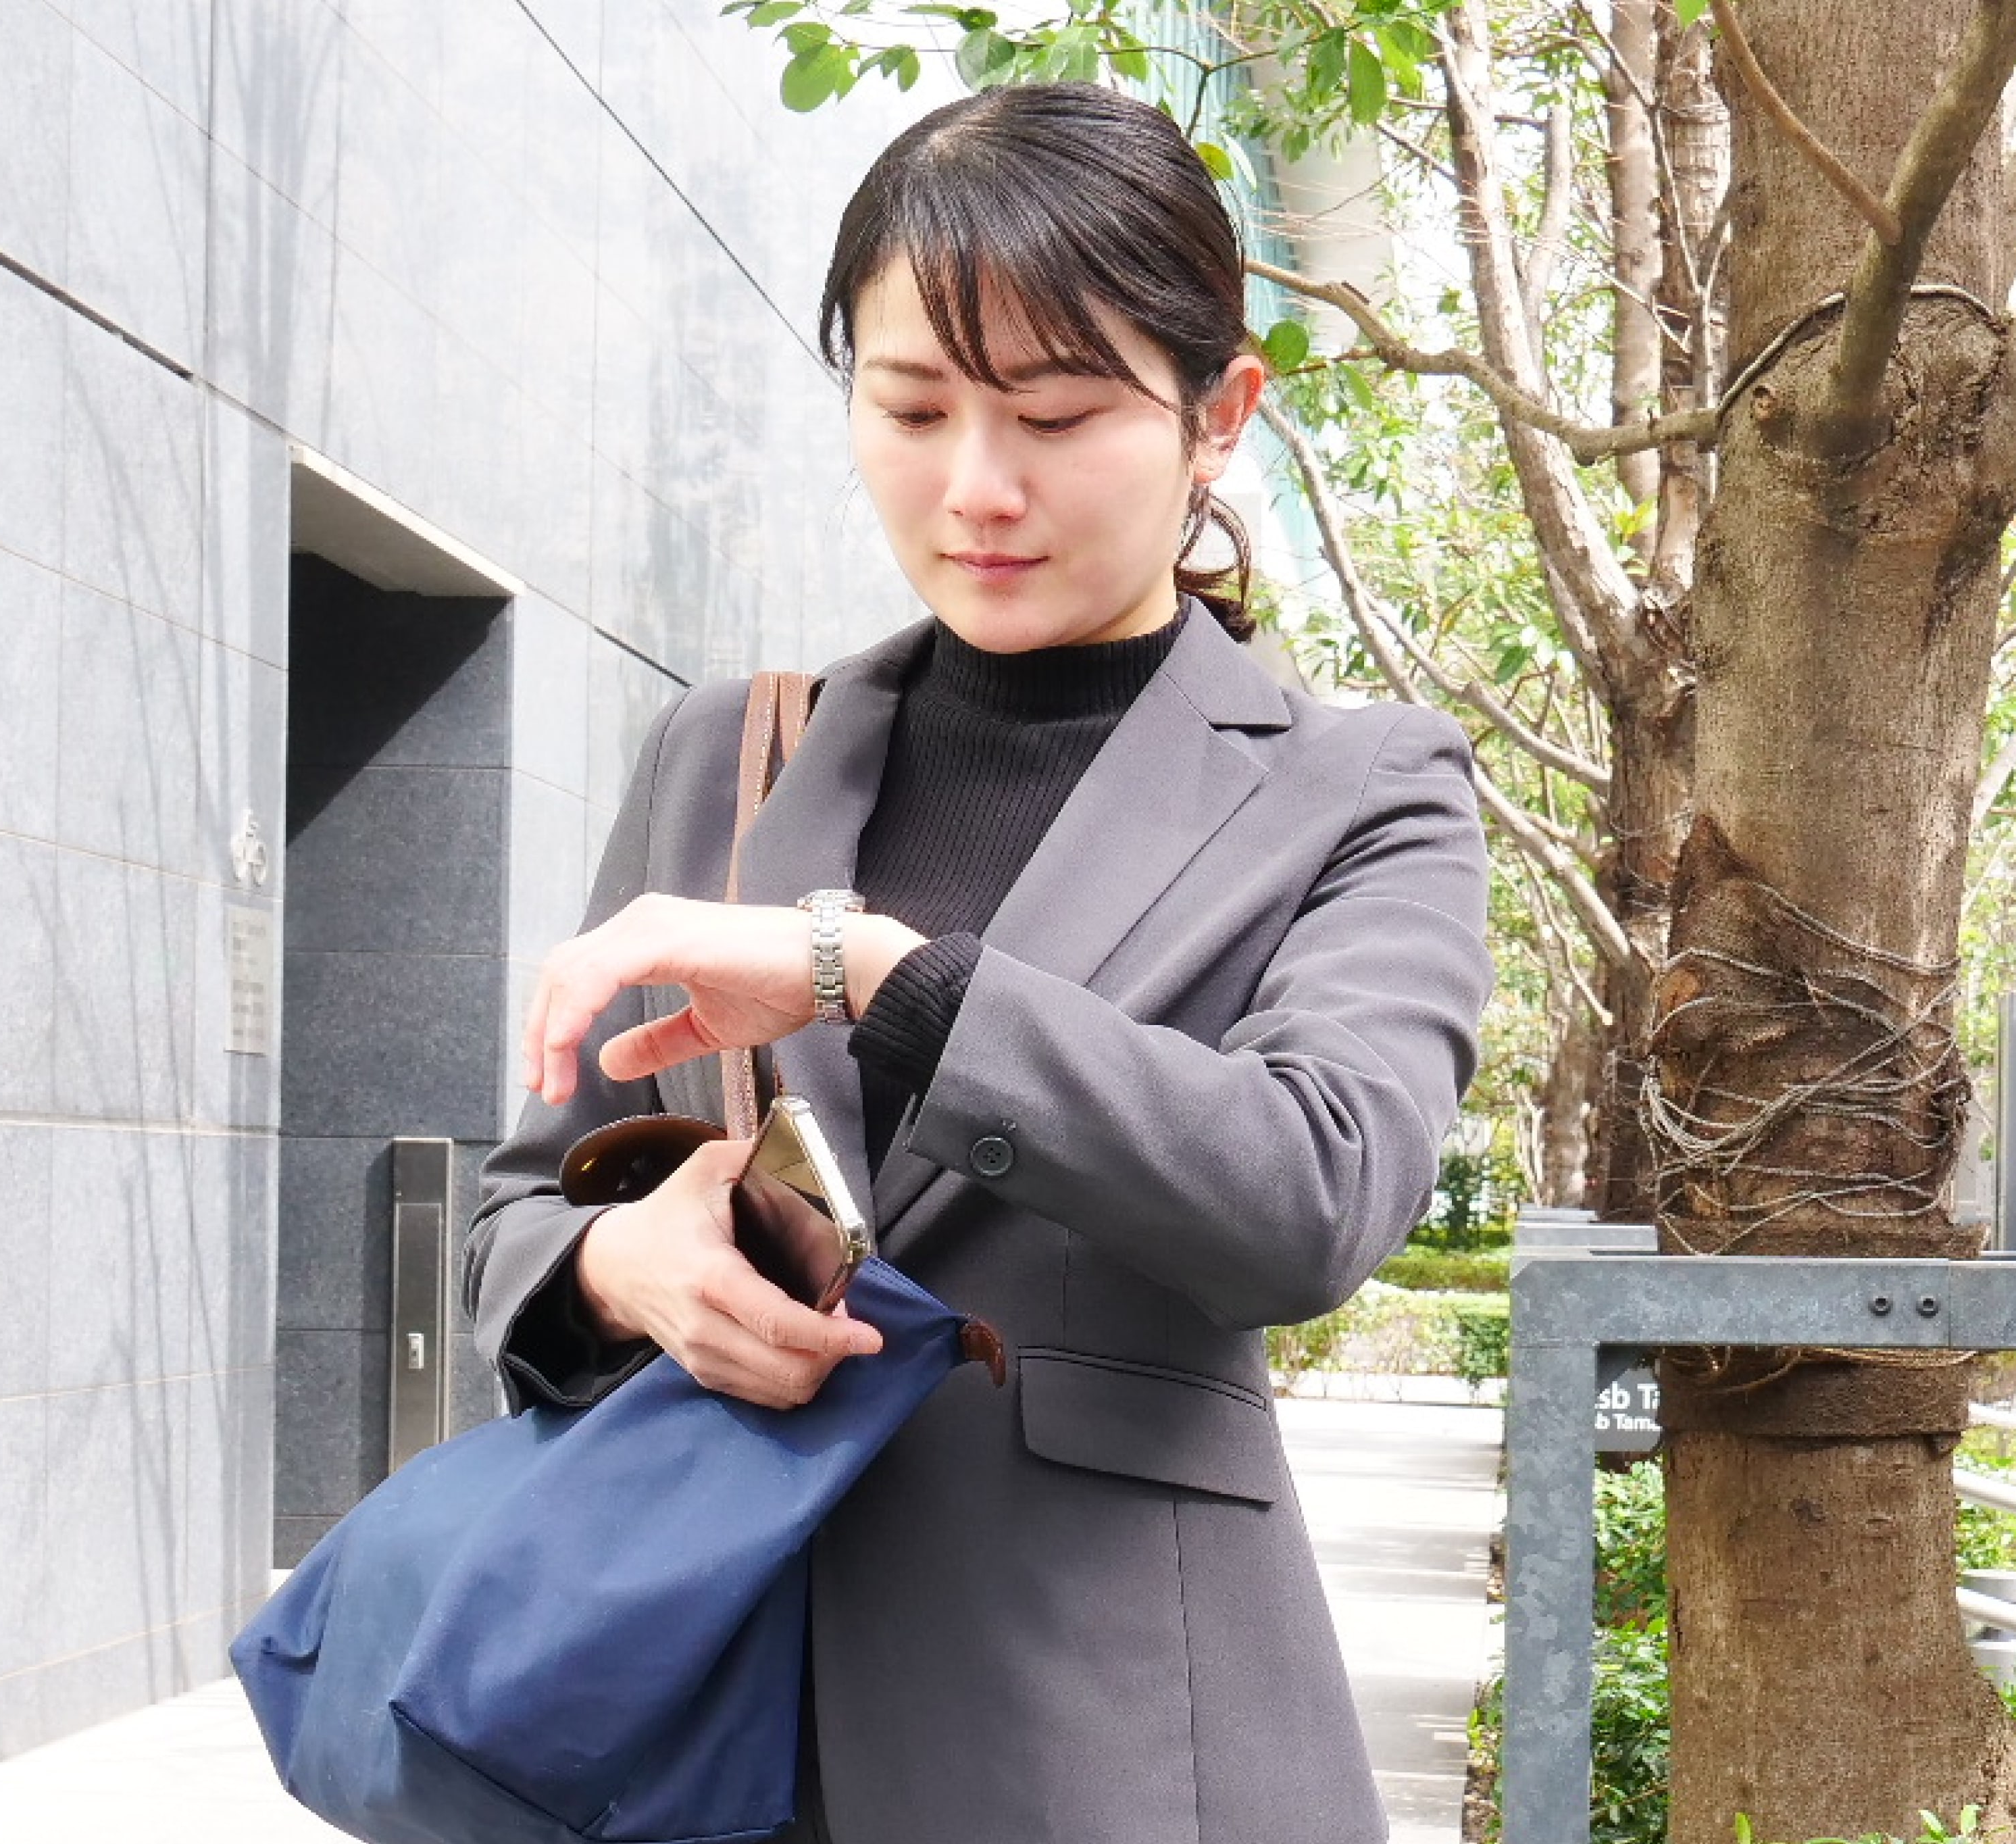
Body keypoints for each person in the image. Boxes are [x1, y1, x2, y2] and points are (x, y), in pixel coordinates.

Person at [464, 80, 1493, 1844]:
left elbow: (1313, 1192)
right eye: (913, 406)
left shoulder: (1358, 789)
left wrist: (876, 975)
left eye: (1058, 413)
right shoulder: (728, 756)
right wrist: (623, 1267)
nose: (977, 487)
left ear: (1218, 416)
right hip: (707, 1730)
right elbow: (519, 1208)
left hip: (1105, 1748)